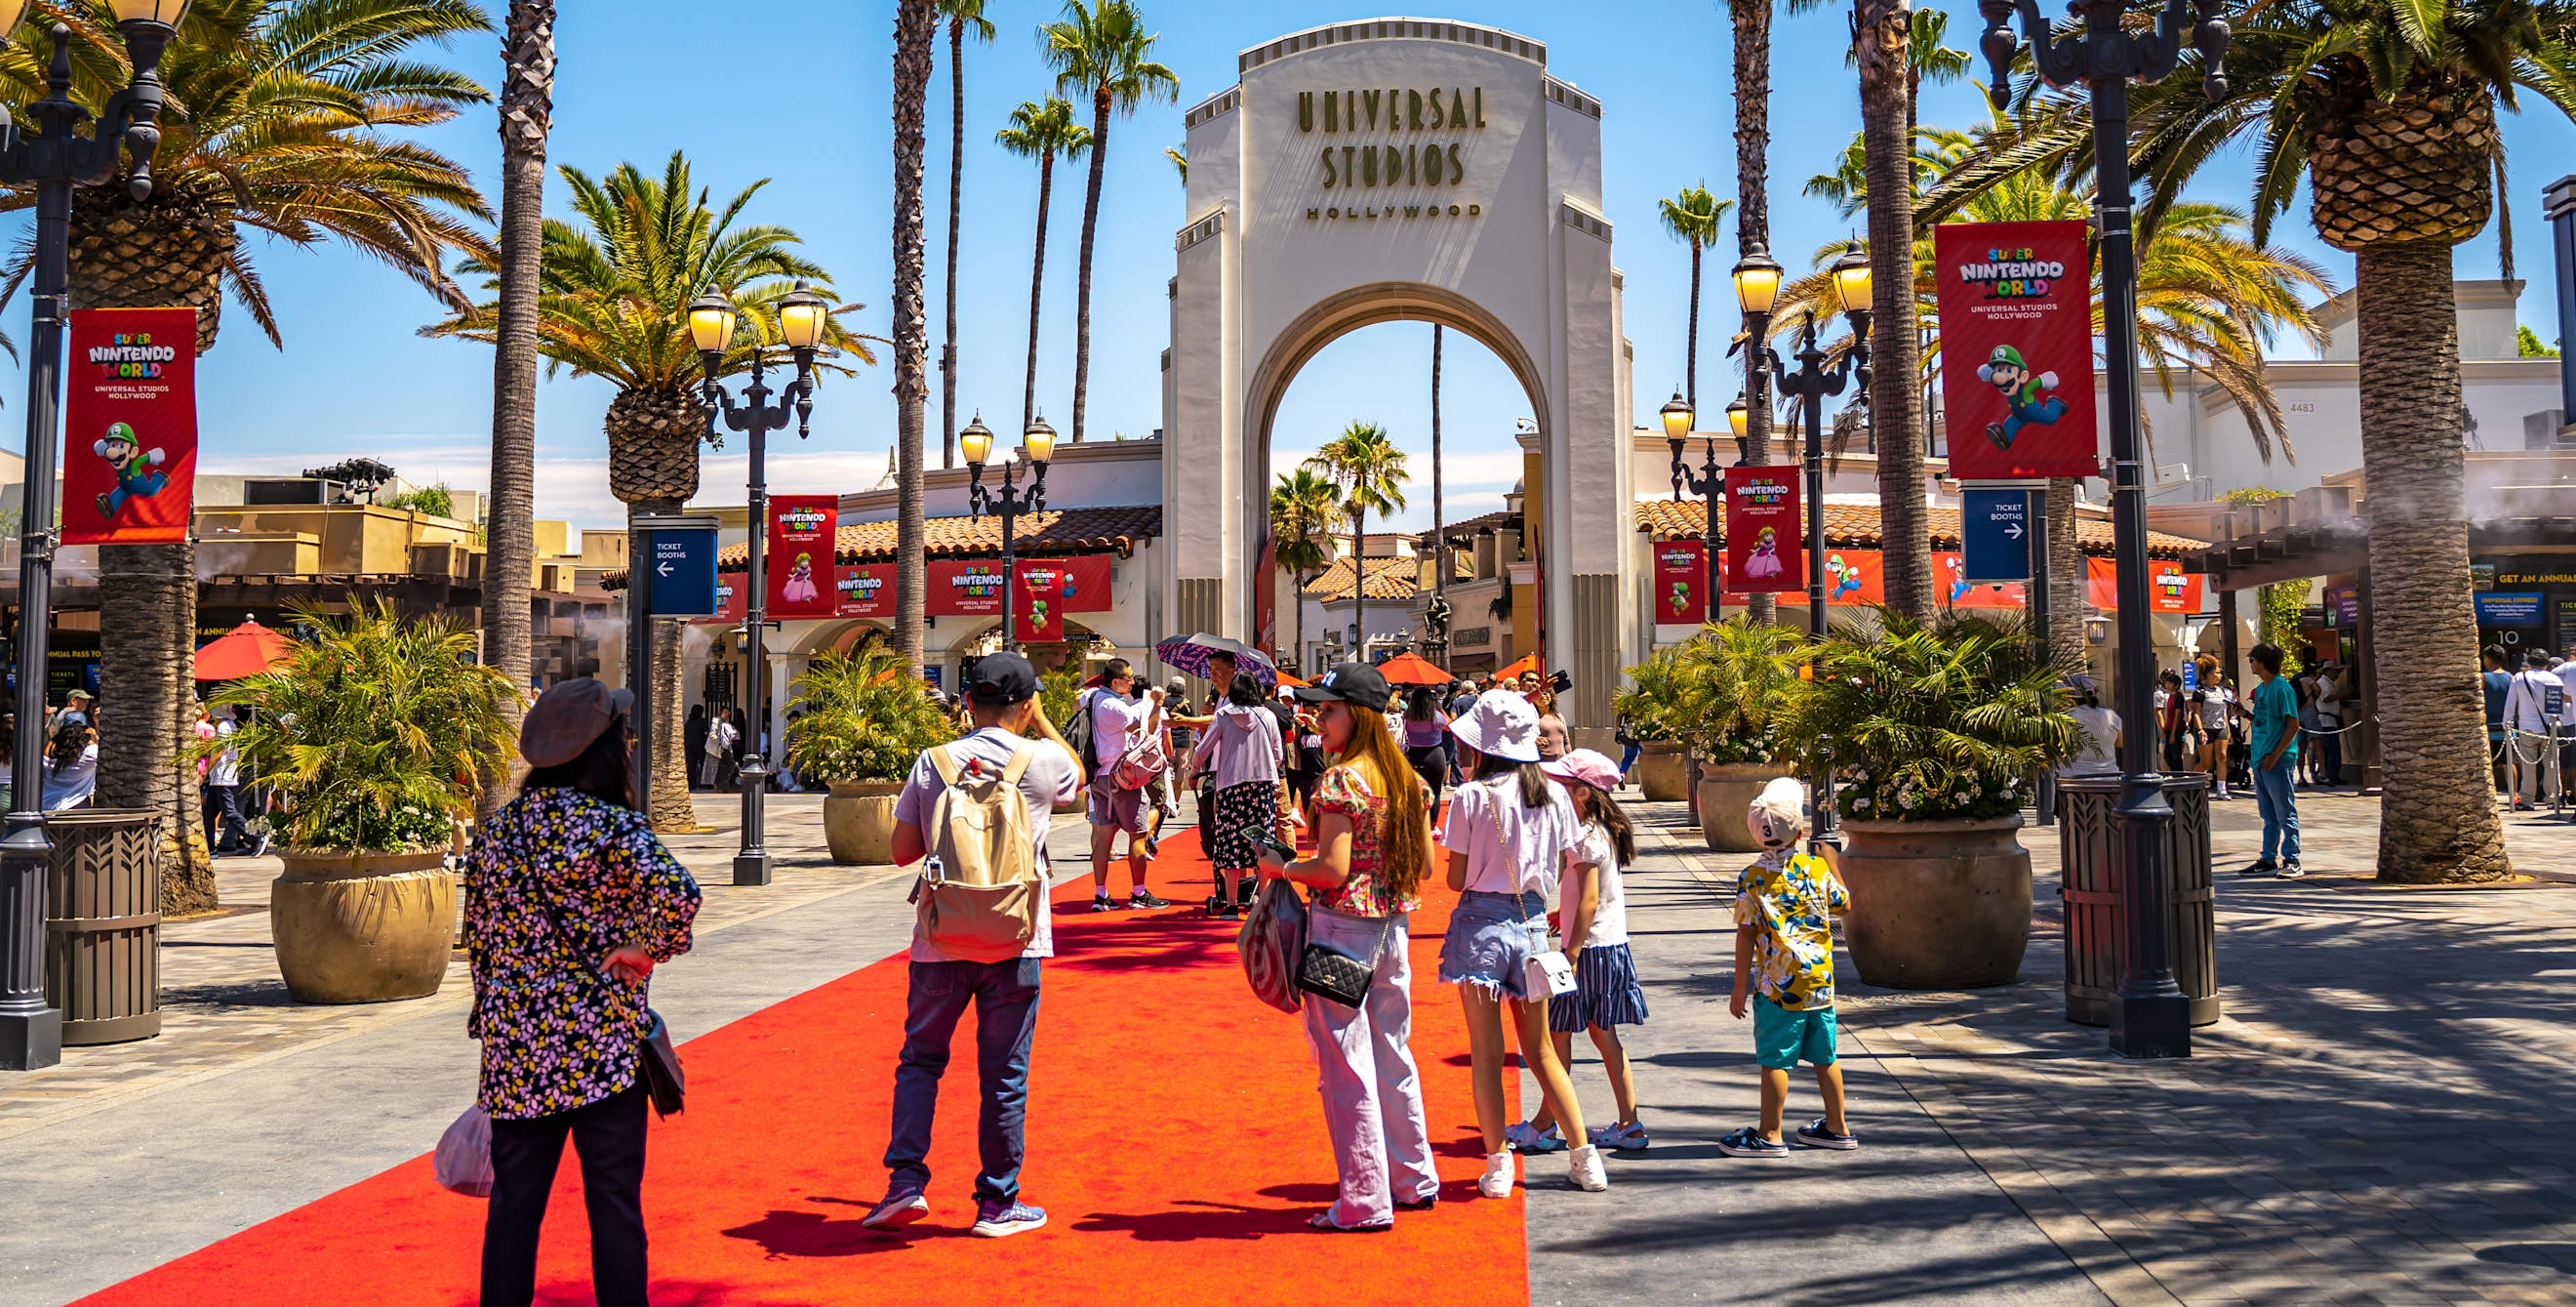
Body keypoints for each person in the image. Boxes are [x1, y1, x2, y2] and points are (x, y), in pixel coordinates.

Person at [468, 678, 701, 1307]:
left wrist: (495, 1017)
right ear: (603, 751)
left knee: (515, 1210)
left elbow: (480, 942)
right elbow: (680, 896)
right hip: (602, 1044)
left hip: (518, 1049)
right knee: (614, 1205)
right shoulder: (613, 827)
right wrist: (647, 949)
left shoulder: (498, 834)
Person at [862, 652, 1080, 1240]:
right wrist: (1040, 724)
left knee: (920, 1062)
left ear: (967, 702)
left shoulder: (932, 763)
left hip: (941, 938)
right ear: (1025, 702)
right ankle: (996, 1204)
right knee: (1005, 1075)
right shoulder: (1042, 761)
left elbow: (902, 852)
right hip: (1016, 938)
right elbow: (1078, 777)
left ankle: (905, 1184)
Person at [1253, 661, 1442, 1231]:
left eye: (1329, 709)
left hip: (1341, 933)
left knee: (1345, 1065)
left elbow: (1331, 871)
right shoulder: (1409, 781)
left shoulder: (1340, 782)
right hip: (1393, 931)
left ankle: (1363, 1198)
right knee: (1393, 1053)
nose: (1318, 717)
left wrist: (1280, 866)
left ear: (1358, 716)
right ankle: (1413, 1178)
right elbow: (1426, 867)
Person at [1441, 688, 1609, 1195]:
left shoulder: (1471, 797)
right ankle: (1584, 1156)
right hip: (1535, 925)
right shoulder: (1554, 793)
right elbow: (1570, 860)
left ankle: (1498, 1164)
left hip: (1481, 927)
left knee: (1487, 1052)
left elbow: (1456, 878)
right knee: (1541, 1052)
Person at [1518, 750, 1649, 1152]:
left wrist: (1571, 953)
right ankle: (1628, 1123)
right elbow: (1591, 896)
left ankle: (1545, 1124)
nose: (1553, 790)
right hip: (1607, 945)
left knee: (1557, 1035)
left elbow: (1590, 900)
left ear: (1583, 795)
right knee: (1601, 1034)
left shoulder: (1585, 836)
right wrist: (1567, 912)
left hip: (1589, 950)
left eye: (1562, 786)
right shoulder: (1598, 832)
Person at [1720, 777, 1856, 1158]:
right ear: (1799, 831)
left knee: (1774, 1060)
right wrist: (1832, 861)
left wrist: (1738, 987)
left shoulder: (1752, 878)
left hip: (1778, 986)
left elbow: (1746, 934)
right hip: (1819, 982)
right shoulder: (1815, 868)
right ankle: (1837, 1127)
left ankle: (1771, 1134)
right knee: (1825, 1056)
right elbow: (1844, 905)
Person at [1192, 671, 1285, 919]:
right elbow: (1279, 754)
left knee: (1231, 843)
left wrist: (1194, 768)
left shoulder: (1223, 716)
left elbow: (1204, 749)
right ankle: (1262, 903)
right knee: (1262, 844)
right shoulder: (1268, 716)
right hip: (1263, 786)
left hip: (1231, 786)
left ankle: (1232, 905)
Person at [1079, 659, 1167, 912]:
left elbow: (1078, 700)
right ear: (1115, 681)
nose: (1132, 681)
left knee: (1103, 837)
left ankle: (1101, 894)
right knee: (1138, 834)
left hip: (1100, 774)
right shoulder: (1114, 706)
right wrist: (1157, 705)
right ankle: (1139, 893)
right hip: (1121, 777)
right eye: (1128, 677)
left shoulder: (1094, 699)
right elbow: (1145, 733)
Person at [2240, 643, 2305, 878]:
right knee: (2268, 814)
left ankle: (2292, 858)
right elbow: (2263, 720)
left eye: (2252, 660)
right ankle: (2268, 858)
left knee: (2284, 810)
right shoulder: (2262, 688)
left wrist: (2275, 755)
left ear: (2262, 662)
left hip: (2277, 760)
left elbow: (2293, 725)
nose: (2250, 664)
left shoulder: (2282, 688)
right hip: (2261, 759)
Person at [2502, 646, 2564, 812]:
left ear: (2530, 661)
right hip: (2549, 728)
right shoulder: (2554, 679)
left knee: (2528, 765)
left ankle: (2527, 800)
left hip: (2526, 728)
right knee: (2551, 764)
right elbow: (2560, 706)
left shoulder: (2520, 678)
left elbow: (2510, 704)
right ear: (2546, 663)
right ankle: (2552, 798)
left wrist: (2506, 724)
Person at [203, 705, 250, 855]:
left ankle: (256, 837)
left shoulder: (224, 726)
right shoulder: (230, 725)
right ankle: (210, 847)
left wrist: (206, 771)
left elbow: (219, 751)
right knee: (208, 814)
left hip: (222, 776)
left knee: (229, 812)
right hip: (220, 777)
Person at [2058, 674, 2121, 779]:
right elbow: (2120, 742)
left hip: (2073, 781)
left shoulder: (2064, 718)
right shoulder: (2111, 715)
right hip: (2109, 779)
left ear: (2069, 695)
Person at [1399, 685, 1450, 804]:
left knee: (1414, 793)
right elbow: (1449, 726)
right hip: (1434, 754)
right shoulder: (1436, 716)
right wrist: (1440, 708)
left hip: (1414, 754)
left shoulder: (1407, 716)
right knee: (1435, 792)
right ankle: (1432, 822)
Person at [2191, 657, 2234, 799]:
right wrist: (2200, 730)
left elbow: (2224, 712)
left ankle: (2222, 789)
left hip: (2220, 727)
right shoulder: (2200, 692)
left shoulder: (2222, 691)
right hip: (2206, 728)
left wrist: (2228, 730)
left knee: (2222, 757)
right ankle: (2192, 783)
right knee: (2206, 762)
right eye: (2218, 673)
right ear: (2209, 675)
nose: (2220, 676)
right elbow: (2196, 712)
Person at [41, 718, 98, 811]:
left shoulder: (49, 748)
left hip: (47, 805)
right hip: (76, 805)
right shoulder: (90, 753)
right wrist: (94, 738)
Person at [2483, 644, 2512, 794]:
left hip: (2487, 726)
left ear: (2487, 659)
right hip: (2507, 726)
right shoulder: (2511, 677)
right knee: (2509, 762)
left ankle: (2490, 792)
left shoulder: (2483, 678)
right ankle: (2514, 793)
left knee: (2487, 762)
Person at [703, 706, 737, 792]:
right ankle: (717, 786)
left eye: (727, 712)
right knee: (715, 767)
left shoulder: (727, 723)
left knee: (728, 765)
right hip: (715, 749)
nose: (726, 714)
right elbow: (712, 734)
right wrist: (719, 740)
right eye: (724, 712)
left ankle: (722, 783)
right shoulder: (716, 721)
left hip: (724, 748)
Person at [683, 704, 708, 792]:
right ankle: (705, 784)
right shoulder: (702, 721)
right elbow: (706, 732)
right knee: (703, 765)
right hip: (700, 745)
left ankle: (691, 784)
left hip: (689, 745)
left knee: (691, 766)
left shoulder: (689, 722)